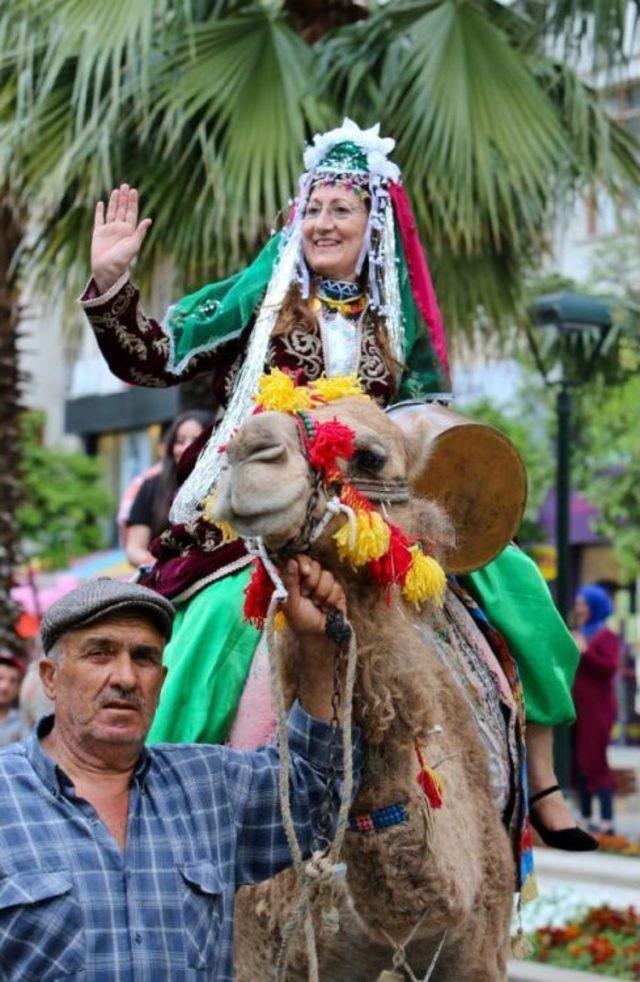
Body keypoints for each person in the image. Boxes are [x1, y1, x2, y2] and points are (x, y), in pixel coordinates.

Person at [79, 119, 589, 847]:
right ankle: (153, 802)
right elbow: (156, 358)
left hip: (374, 502)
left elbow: (426, 419)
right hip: (270, 509)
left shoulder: (394, 324)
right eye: (312, 208)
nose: (322, 222)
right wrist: (111, 284)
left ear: (370, 222)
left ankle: (538, 779)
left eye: (340, 209)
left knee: (516, 585)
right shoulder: (261, 300)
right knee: (220, 624)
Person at [0, 569, 359, 981]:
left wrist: (319, 647)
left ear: (162, 681)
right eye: (99, 653)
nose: (125, 677)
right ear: (51, 678)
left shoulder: (209, 785)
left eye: (144, 657)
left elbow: (319, 788)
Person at [125, 410, 214, 568]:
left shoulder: (223, 486)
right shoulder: (151, 486)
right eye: (180, 441)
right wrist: (162, 567)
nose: (187, 447)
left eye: (196, 440)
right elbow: (134, 549)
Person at [571, 584, 621, 834]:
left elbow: (609, 667)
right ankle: (587, 816)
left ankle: (607, 821)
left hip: (598, 711)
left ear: (595, 606)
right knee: (579, 762)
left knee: (595, 762)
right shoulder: (581, 632)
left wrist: (586, 652)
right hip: (579, 708)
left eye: (583, 603)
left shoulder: (605, 636)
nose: (578, 607)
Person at [0, 654, 28, 746]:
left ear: (18, 689)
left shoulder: (22, 722)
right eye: (0, 678)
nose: (5, 686)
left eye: (12, 681)